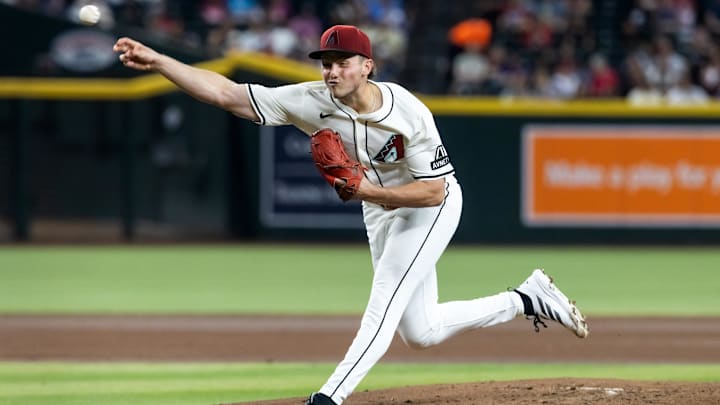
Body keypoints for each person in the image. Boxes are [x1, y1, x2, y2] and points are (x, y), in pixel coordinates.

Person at [114, 24, 589, 405]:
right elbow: (227, 94)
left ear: (367, 67)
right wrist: (159, 61)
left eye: (342, 63)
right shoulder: (310, 101)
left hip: (430, 206)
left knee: (383, 303)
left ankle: (329, 397)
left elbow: (433, 190)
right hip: (379, 210)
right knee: (421, 332)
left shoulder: (410, 112)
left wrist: (364, 188)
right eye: (326, 62)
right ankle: (525, 299)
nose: (331, 71)